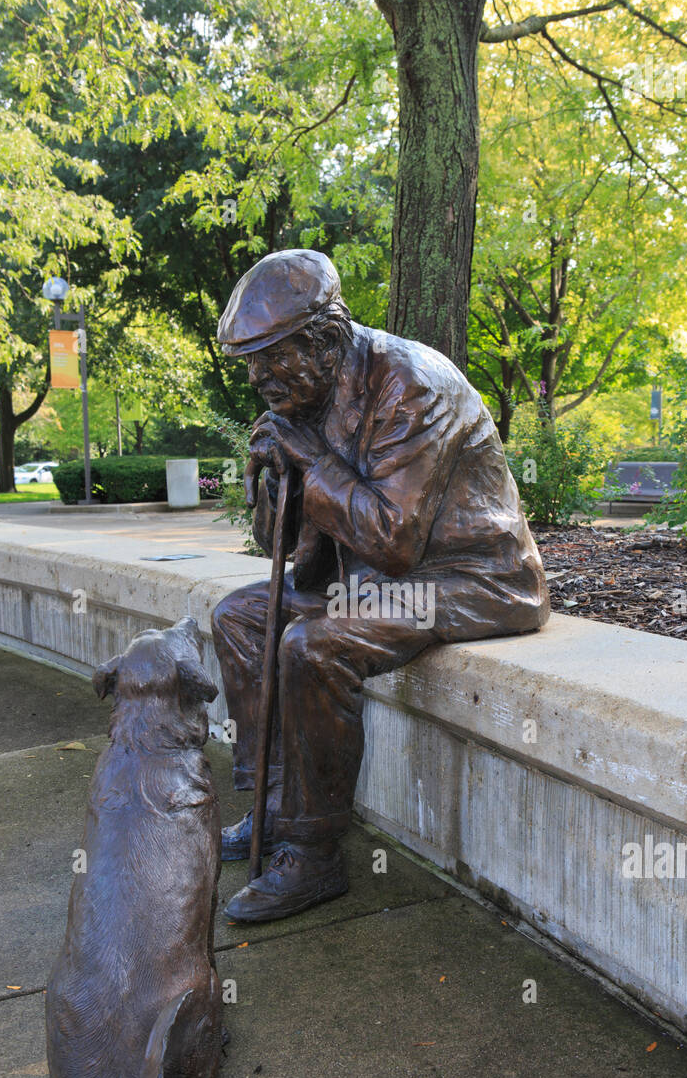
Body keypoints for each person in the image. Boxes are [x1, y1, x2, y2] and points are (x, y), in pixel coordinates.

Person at [211, 248, 550, 922]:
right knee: (240, 618)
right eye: (251, 362)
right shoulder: (309, 391)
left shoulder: (412, 384)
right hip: (373, 581)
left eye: (272, 357)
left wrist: (305, 459)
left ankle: (312, 856)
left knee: (313, 645)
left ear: (326, 339)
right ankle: (271, 807)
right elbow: (284, 552)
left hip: (469, 579)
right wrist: (270, 481)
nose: (259, 377)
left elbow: (394, 538)